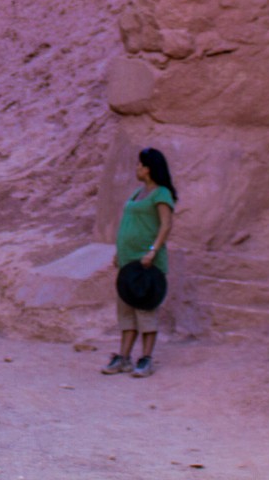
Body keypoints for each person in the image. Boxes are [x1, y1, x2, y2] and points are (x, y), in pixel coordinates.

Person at [104, 147, 176, 377]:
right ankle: (123, 357)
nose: (137, 168)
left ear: (149, 168)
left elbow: (165, 225)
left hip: (146, 263)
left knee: (145, 310)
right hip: (128, 263)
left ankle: (146, 359)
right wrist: (119, 251)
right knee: (126, 310)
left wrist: (152, 252)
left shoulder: (161, 193)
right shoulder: (138, 193)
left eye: (140, 165)